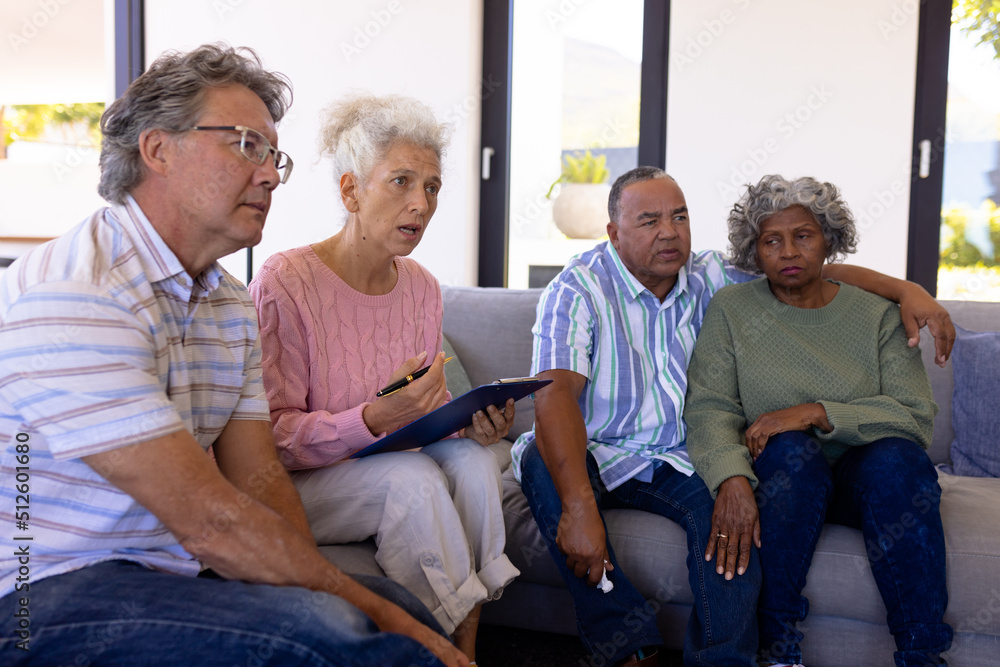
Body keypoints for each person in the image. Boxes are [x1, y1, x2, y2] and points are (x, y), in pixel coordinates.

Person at [0, 44, 468, 667]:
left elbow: (262, 479)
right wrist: (350, 608)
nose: (272, 173)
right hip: (40, 593)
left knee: (390, 606)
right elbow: (210, 521)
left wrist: (343, 595)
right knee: (336, 629)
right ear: (158, 149)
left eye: (275, 155)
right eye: (246, 145)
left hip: (171, 570)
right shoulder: (80, 292)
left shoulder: (225, 301)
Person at [509, 166, 956, 667]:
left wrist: (904, 290)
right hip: (593, 447)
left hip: (674, 456)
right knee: (544, 467)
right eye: (649, 220)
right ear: (614, 233)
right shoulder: (577, 290)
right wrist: (579, 507)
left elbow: (808, 269)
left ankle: (727, 659)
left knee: (730, 538)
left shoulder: (710, 277)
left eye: (679, 216)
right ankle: (630, 649)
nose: (669, 231)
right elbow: (555, 397)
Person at [249, 92, 520, 664]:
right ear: (351, 191)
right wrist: (369, 418)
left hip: (388, 461)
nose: (420, 203)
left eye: (432, 187)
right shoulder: (286, 281)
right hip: (302, 482)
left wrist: (471, 426)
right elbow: (271, 437)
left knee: (473, 464)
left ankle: (467, 642)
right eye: (400, 181)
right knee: (409, 478)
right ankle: (437, 651)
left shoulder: (421, 285)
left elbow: (426, 418)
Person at [684, 174, 952, 667]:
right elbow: (710, 408)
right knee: (790, 449)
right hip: (783, 482)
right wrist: (730, 478)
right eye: (772, 240)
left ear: (828, 239)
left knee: (899, 460)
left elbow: (913, 417)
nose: (788, 251)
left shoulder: (878, 314)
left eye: (803, 236)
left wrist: (815, 413)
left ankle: (923, 655)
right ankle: (778, 650)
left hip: (865, 483)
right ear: (754, 251)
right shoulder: (732, 309)